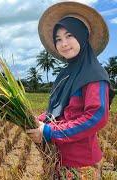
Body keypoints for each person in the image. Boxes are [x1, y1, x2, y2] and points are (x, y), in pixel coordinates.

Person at [26, 2, 115, 179]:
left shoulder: (94, 74)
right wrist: (36, 120)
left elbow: (96, 117)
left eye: (69, 35)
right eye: (58, 39)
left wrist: (49, 132)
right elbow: (58, 111)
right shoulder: (65, 74)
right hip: (58, 159)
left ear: (82, 36)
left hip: (80, 164)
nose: (63, 43)